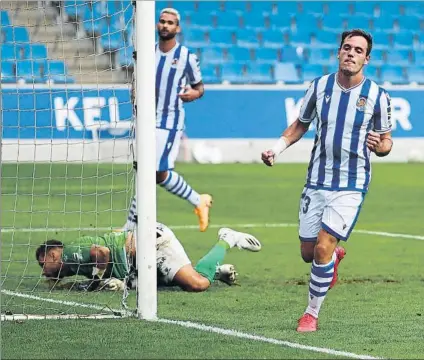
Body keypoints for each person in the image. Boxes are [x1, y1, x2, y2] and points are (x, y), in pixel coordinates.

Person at [261, 29, 393, 332]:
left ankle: (311, 313)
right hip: (317, 181)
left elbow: (386, 142)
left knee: (322, 247)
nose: (351, 53)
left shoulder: (377, 96)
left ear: (367, 59)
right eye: (347, 48)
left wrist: (380, 147)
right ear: (338, 52)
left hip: (351, 184)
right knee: (309, 254)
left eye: (359, 50)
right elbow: (300, 125)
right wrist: (276, 149)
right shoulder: (319, 87)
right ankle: (332, 258)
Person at [131, 7, 212, 232]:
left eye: (170, 23)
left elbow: (200, 87)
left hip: (169, 121)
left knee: (151, 171)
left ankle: (131, 226)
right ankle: (198, 200)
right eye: (162, 21)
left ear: (177, 28)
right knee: (155, 173)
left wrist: (193, 94)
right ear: (157, 24)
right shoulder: (147, 51)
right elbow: (136, 79)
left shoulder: (186, 56)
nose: (165, 25)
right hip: (147, 120)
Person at [35, 224, 262, 292]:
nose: (43, 270)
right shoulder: (72, 263)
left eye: (43, 263)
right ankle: (216, 270)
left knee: (196, 284)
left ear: (54, 254)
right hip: (137, 261)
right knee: (172, 283)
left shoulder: (69, 254)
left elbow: (101, 253)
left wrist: (95, 281)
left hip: (151, 245)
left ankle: (226, 239)